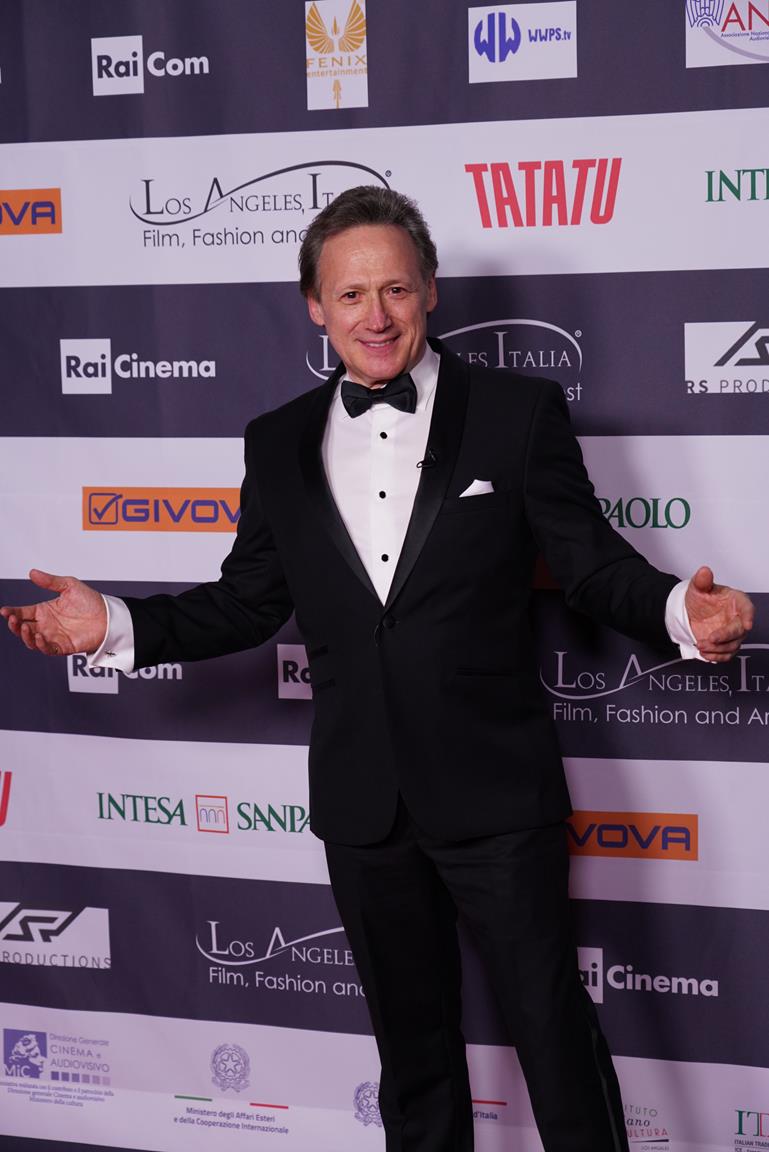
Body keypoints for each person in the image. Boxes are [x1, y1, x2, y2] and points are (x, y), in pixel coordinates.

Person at [1, 187, 753, 1152]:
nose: (377, 315)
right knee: (412, 1057)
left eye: (395, 289)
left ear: (429, 290)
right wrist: (111, 621)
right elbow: (245, 601)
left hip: (495, 792)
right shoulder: (276, 440)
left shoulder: (517, 413)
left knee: (554, 1037)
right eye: (351, 294)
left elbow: (591, 567)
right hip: (362, 802)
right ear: (314, 305)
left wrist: (680, 612)